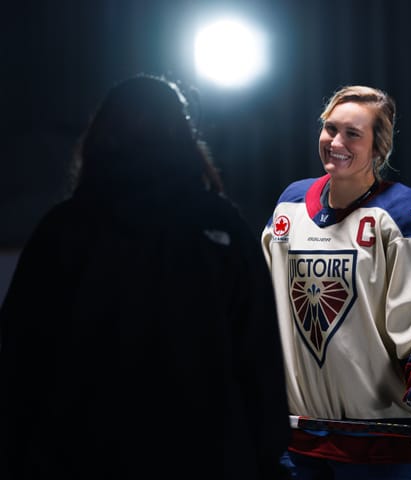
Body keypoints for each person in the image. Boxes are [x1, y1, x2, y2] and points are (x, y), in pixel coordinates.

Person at [0, 74, 289, 479]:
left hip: (80, 459)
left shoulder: (63, 230)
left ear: (100, 136)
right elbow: (260, 361)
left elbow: (18, 364)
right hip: (207, 457)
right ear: (184, 136)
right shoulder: (221, 227)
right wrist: (263, 458)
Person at [261, 85, 411, 479]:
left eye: (352, 134)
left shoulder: (410, 218)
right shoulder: (289, 205)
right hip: (299, 440)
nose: (335, 142)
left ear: (379, 148)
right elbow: (262, 310)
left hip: (382, 448)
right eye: (330, 128)